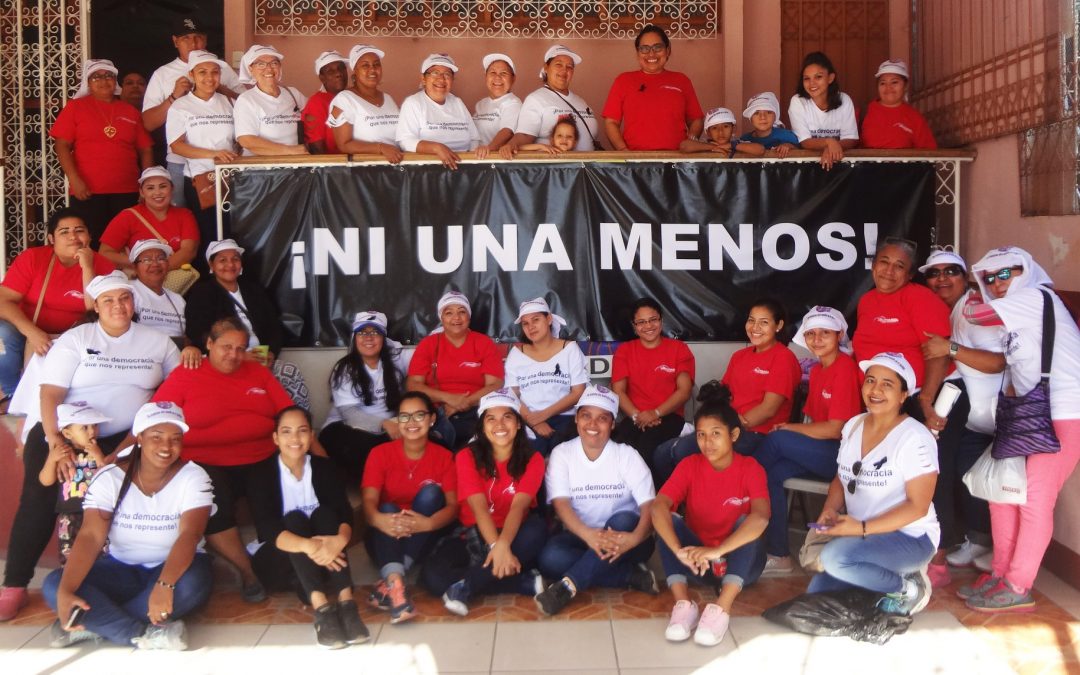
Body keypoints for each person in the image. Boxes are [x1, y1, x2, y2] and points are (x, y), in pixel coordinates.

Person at [0, 272, 180, 623]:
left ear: (134, 302)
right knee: (39, 499)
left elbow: (174, 391)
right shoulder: (76, 339)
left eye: (124, 299)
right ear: (96, 306)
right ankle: (14, 585)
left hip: (126, 435)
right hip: (65, 431)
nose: (118, 306)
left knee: (121, 504)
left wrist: (132, 442)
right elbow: (49, 393)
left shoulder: (159, 343)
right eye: (108, 300)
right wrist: (55, 441)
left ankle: (115, 577)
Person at [957, 247, 1080, 612]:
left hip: (1063, 413)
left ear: (1024, 272)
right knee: (1002, 493)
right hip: (1028, 412)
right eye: (989, 278)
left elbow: (976, 315)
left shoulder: (1034, 297)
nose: (995, 284)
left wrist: (971, 295)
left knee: (1033, 499)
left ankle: (1018, 583)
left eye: (1004, 274)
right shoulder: (1018, 312)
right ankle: (1000, 573)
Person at [152, 316, 301, 604]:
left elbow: (288, 414)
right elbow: (156, 417)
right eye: (226, 347)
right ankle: (248, 572)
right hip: (204, 459)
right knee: (211, 505)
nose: (234, 355)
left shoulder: (258, 373)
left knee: (273, 504)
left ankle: (282, 564)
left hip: (260, 455)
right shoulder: (187, 373)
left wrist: (315, 456)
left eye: (240, 348)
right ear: (208, 344)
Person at [43, 402, 212, 650]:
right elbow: (90, 536)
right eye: (156, 437)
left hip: (175, 568)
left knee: (191, 586)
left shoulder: (193, 476)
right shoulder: (110, 477)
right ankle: (141, 632)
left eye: (175, 438)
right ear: (139, 437)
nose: (167, 446)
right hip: (121, 568)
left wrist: (164, 585)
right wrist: (67, 589)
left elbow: (190, 534)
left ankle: (94, 624)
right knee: (55, 585)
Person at [853, 239, 961, 572]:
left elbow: (938, 353)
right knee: (889, 474)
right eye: (883, 262)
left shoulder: (919, 299)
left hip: (918, 397)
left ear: (910, 274)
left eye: (899, 266)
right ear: (873, 266)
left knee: (927, 473)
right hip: (880, 400)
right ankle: (893, 541)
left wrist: (926, 401)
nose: (888, 271)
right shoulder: (867, 301)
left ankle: (938, 554)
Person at [808, 352, 938, 617]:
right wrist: (831, 510)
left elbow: (918, 507)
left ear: (903, 395)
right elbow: (841, 478)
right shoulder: (854, 425)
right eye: (870, 381)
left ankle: (908, 587)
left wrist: (863, 528)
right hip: (862, 534)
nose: (875, 390)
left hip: (910, 537)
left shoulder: (915, 437)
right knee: (816, 597)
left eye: (887, 384)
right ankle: (881, 577)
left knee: (836, 559)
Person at [653, 388, 769, 646]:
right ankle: (683, 604)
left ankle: (722, 607)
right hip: (697, 564)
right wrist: (679, 550)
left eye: (716, 434)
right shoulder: (689, 465)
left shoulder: (751, 468)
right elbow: (659, 505)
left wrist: (716, 551)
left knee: (747, 522)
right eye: (701, 435)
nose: (707, 442)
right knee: (667, 519)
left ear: (734, 435)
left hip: (740, 564)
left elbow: (761, 518)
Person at [753, 306, 862, 575]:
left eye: (825, 333)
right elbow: (814, 423)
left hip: (844, 458)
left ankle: (737, 493)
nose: (817, 339)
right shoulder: (817, 371)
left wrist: (788, 429)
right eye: (811, 333)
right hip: (824, 450)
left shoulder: (845, 368)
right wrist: (793, 431)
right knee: (773, 474)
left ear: (839, 336)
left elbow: (837, 429)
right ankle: (779, 555)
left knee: (777, 441)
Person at [248, 407, 368, 648]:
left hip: (324, 556)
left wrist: (339, 541)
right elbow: (267, 528)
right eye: (286, 432)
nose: (295, 439)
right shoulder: (260, 474)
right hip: (277, 561)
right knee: (294, 520)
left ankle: (346, 604)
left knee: (325, 514)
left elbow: (343, 511)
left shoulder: (324, 468)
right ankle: (322, 610)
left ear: (311, 435)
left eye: (302, 431)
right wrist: (309, 546)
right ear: (275, 438)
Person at [534, 385, 658, 616]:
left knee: (622, 519)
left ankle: (567, 586)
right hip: (581, 536)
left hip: (629, 540)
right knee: (549, 558)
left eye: (602, 418)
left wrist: (635, 539)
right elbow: (561, 503)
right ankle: (629, 575)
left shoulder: (626, 455)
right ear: (576, 420)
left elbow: (650, 505)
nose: (592, 424)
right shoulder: (563, 454)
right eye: (586, 416)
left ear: (612, 424)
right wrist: (588, 535)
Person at [421, 389, 546, 616]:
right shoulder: (466, 456)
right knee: (433, 579)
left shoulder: (533, 459)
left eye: (507, 417)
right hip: (474, 530)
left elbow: (519, 506)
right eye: (491, 418)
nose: (500, 425)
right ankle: (518, 582)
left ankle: (467, 586)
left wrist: (503, 544)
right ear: (482, 426)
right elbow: (478, 507)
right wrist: (495, 547)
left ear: (518, 423)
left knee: (537, 532)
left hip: (515, 532)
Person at [918, 250, 1003, 578]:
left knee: (988, 478)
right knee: (966, 473)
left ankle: (994, 546)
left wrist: (949, 348)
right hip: (971, 408)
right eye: (933, 273)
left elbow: (998, 361)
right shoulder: (947, 311)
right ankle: (978, 539)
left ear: (965, 277)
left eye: (950, 271)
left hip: (997, 408)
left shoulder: (974, 309)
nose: (941, 278)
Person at [655, 298, 799, 480]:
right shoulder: (740, 356)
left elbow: (769, 409)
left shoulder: (783, 358)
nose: (755, 327)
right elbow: (723, 395)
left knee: (684, 454)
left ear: (778, 325)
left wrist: (733, 426)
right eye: (751, 320)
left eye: (764, 322)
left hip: (757, 434)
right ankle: (675, 504)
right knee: (662, 452)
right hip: (726, 427)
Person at [361, 392, 458, 623]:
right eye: (404, 417)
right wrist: (379, 519)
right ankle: (396, 582)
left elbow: (454, 507)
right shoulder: (379, 454)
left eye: (419, 415)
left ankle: (392, 583)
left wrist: (429, 523)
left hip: (425, 535)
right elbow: (368, 503)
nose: (411, 423)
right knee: (385, 507)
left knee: (431, 494)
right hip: (386, 535)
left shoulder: (444, 457)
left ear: (432, 419)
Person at [0, 209, 113, 402]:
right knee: (3, 334)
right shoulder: (33, 258)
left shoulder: (103, 265)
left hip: (78, 335)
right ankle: (13, 393)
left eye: (79, 230)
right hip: (30, 329)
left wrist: (87, 267)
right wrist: (32, 332)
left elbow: (93, 309)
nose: (73, 237)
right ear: (51, 238)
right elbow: (3, 300)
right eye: (64, 232)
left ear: (89, 235)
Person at [184, 239, 309, 408]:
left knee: (289, 371)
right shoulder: (202, 292)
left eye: (235, 259)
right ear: (211, 265)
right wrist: (240, 356)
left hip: (260, 358)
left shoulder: (253, 290)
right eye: (222, 260)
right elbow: (198, 331)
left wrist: (271, 352)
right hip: (226, 360)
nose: (230, 264)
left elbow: (273, 326)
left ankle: (296, 426)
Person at [142, 15, 244, 208]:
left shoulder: (220, 68)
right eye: (186, 38)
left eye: (198, 37)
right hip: (180, 162)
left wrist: (219, 89)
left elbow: (246, 106)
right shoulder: (162, 74)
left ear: (205, 40)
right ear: (175, 41)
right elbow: (148, 123)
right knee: (183, 212)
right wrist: (173, 97)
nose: (193, 43)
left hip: (224, 161)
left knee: (226, 214)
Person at [50, 58, 153, 245]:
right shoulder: (76, 107)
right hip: (88, 190)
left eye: (109, 76)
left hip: (127, 190)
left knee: (125, 242)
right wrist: (74, 179)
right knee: (92, 242)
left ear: (116, 81)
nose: (104, 81)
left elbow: (145, 149)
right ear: (88, 83)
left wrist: (145, 183)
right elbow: (62, 145)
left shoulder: (129, 111)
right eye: (96, 77)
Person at [165, 49, 239, 266]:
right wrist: (213, 154)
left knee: (231, 232)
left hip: (231, 178)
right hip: (200, 180)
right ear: (192, 75)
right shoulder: (181, 106)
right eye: (202, 72)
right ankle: (209, 283)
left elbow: (240, 139)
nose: (209, 77)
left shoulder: (229, 102)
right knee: (208, 234)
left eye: (214, 72)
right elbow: (177, 146)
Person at [405, 290, 504, 450]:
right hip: (436, 410)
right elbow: (413, 384)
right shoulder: (428, 344)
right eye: (449, 313)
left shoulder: (483, 343)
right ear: (441, 318)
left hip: (476, 409)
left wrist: (463, 403)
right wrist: (449, 399)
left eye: (461, 312)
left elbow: (495, 385)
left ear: (469, 317)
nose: (456, 318)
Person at [610, 297, 694, 479]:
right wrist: (637, 416)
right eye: (641, 322)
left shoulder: (679, 349)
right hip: (635, 417)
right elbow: (618, 391)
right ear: (634, 326)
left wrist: (655, 413)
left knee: (647, 447)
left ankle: (655, 501)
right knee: (619, 447)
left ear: (661, 321)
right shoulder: (625, 351)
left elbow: (684, 390)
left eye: (653, 320)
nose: (648, 326)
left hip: (669, 417)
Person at [320, 311, 407, 483]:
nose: (368, 338)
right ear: (355, 338)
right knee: (368, 447)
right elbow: (349, 413)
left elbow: (398, 404)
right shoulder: (345, 368)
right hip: (346, 426)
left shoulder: (393, 369)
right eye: (362, 332)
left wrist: (401, 424)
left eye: (375, 332)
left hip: (386, 428)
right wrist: (384, 424)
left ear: (383, 338)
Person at [504, 298, 587, 455]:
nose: (531, 327)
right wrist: (534, 422)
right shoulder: (516, 354)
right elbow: (511, 394)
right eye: (525, 323)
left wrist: (543, 416)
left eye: (536, 319)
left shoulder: (570, 348)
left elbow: (578, 392)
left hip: (565, 418)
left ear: (549, 319)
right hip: (528, 419)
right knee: (530, 458)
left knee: (561, 455)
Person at [602, 24, 704, 151]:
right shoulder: (623, 81)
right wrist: (624, 152)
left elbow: (696, 120)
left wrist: (690, 143)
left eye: (658, 47)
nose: (651, 54)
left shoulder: (682, 81)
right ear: (638, 53)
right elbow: (611, 122)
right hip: (636, 162)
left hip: (677, 161)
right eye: (644, 48)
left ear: (668, 51)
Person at [38, 403, 110, 566]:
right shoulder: (62, 453)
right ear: (67, 433)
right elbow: (45, 480)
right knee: (69, 555)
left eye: (95, 426)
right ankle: (68, 582)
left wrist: (99, 456)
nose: (92, 431)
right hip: (69, 514)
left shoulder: (103, 450)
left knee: (102, 552)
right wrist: (51, 460)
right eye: (84, 428)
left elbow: (110, 476)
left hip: (98, 512)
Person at [98, 165, 199, 272]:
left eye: (163, 186)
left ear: (172, 188)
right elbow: (105, 253)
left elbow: (189, 251)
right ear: (142, 192)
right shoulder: (128, 216)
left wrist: (157, 270)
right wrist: (140, 265)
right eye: (150, 188)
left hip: (174, 280)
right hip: (139, 281)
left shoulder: (185, 215)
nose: (157, 192)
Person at [505, 45, 599, 154]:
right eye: (558, 64)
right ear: (546, 67)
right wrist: (511, 145)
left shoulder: (581, 101)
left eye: (569, 66)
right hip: (556, 169)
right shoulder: (536, 99)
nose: (564, 70)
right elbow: (525, 135)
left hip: (588, 168)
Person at [396, 53, 480, 170]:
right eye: (435, 73)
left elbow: (474, 139)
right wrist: (436, 148)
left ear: (452, 80)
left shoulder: (457, 103)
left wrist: (471, 161)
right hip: (428, 171)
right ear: (423, 78)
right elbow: (405, 141)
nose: (441, 79)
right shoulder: (413, 103)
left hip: (463, 171)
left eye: (447, 74)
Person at [327, 44, 402, 164]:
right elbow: (344, 144)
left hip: (394, 170)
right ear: (355, 70)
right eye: (365, 65)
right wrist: (381, 148)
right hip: (364, 174)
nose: (372, 69)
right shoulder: (344, 100)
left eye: (376, 64)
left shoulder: (388, 99)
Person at [788, 51, 859, 170]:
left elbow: (851, 138)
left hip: (841, 168)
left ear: (830, 78)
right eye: (806, 78)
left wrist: (831, 147)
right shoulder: (798, 102)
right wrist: (829, 142)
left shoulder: (844, 100)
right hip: (807, 169)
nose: (812, 83)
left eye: (818, 77)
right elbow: (805, 142)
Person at [233, 44, 308, 157]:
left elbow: (312, 115)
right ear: (250, 69)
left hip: (294, 165)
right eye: (261, 64)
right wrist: (290, 150)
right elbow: (246, 140)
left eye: (274, 63)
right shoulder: (246, 100)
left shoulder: (292, 93)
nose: (269, 69)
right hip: (262, 169)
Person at [860, 59, 937, 150]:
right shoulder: (864, 113)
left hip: (904, 164)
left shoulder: (915, 118)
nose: (888, 87)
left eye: (894, 82)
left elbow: (928, 153)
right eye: (883, 83)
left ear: (906, 86)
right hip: (867, 164)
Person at [127, 240, 188, 345]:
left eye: (161, 258)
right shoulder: (128, 291)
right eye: (147, 260)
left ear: (168, 264)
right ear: (135, 267)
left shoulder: (178, 299)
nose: (155, 264)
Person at [473, 53, 521, 157]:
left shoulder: (513, 103)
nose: (497, 77)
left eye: (504, 73)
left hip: (495, 161)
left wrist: (489, 148)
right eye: (492, 72)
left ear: (513, 79)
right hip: (478, 158)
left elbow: (507, 131)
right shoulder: (481, 104)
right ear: (485, 77)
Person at [301, 50, 349, 154]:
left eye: (341, 68)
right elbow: (317, 147)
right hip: (337, 166)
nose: (339, 74)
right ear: (322, 78)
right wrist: (332, 169)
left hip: (358, 162)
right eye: (330, 71)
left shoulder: (351, 96)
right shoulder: (316, 103)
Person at [737, 92, 798, 157]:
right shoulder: (745, 139)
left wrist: (789, 146)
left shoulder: (787, 136)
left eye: (769, 112)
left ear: (775, 116)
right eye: (756, 113)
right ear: (750, 118)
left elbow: (802, 152)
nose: (763, 117)